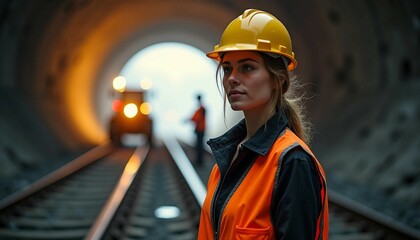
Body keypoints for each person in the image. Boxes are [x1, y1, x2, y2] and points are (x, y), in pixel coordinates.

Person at [198, 9, 329, 240]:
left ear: (278, 79)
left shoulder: (291, 163)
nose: (232, 78)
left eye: (247, 67)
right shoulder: (227, 156)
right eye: (227, 68)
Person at [190, 94, 206, 165]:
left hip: (200, 129)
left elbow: (196, 118)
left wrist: (190, 119)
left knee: (199, 145)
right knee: (199, 145)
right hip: (200, 129)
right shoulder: (201, 109)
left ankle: (200, 161)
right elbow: (195, 117)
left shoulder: (201, 109)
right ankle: (199, 160)